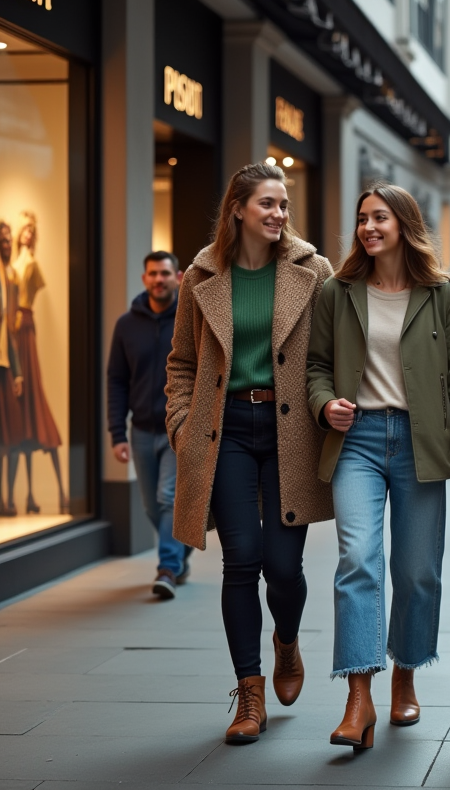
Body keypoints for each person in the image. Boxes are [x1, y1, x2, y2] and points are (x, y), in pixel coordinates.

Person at [306, 183, 450, 750]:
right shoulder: (338, 291)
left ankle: (404, 672)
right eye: (362, 219)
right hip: (355, 439)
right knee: (357, 559)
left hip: (419, 442)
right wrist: (323, 403)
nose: (368, 228)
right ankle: (358, 697)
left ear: (404, 224)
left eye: (379, 218)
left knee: (416, 571)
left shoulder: (442, 294)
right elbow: (314, 366)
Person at [166, 162, 333, 744]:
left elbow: (329, 355)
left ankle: (286, 640)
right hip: (226, 430)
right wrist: (184, 426)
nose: (279, 214)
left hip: (292, 430)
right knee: (240, 561)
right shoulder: (200, 275)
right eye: (267, 203)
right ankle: (249, 693)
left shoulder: (313, 272)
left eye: (284, 205)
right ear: (237, 208)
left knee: (283, 568)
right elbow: (182, 363)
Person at [107, 251, 191, 599]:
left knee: (167, 497)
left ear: (178, 277)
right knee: (149, 505)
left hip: (177, 428)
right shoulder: (126, 325)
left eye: (165, 273)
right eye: (153, 274)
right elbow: (116, 380)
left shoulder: (188, 322)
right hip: (139, 430)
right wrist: (116, 432)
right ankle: (182, 550)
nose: (159, 279)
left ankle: (167, 568)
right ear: (145, 279)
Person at [8, 212, 68, 515]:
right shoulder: (16, 263)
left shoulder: (29, 263)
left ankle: (55, 493)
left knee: (32, 385)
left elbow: (26, 295)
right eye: (25, 230)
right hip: (14, 325)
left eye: (32, 231)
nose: (27, 235)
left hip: (23, 323)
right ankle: (26, 496)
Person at [0, 221, 23, 517]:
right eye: (4, 241)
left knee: (9, 434)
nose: (9, 246)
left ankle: (6, 497)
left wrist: (19, 371)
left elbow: (8, 330)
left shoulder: (9, 275)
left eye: (11, 241)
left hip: (3, 362)